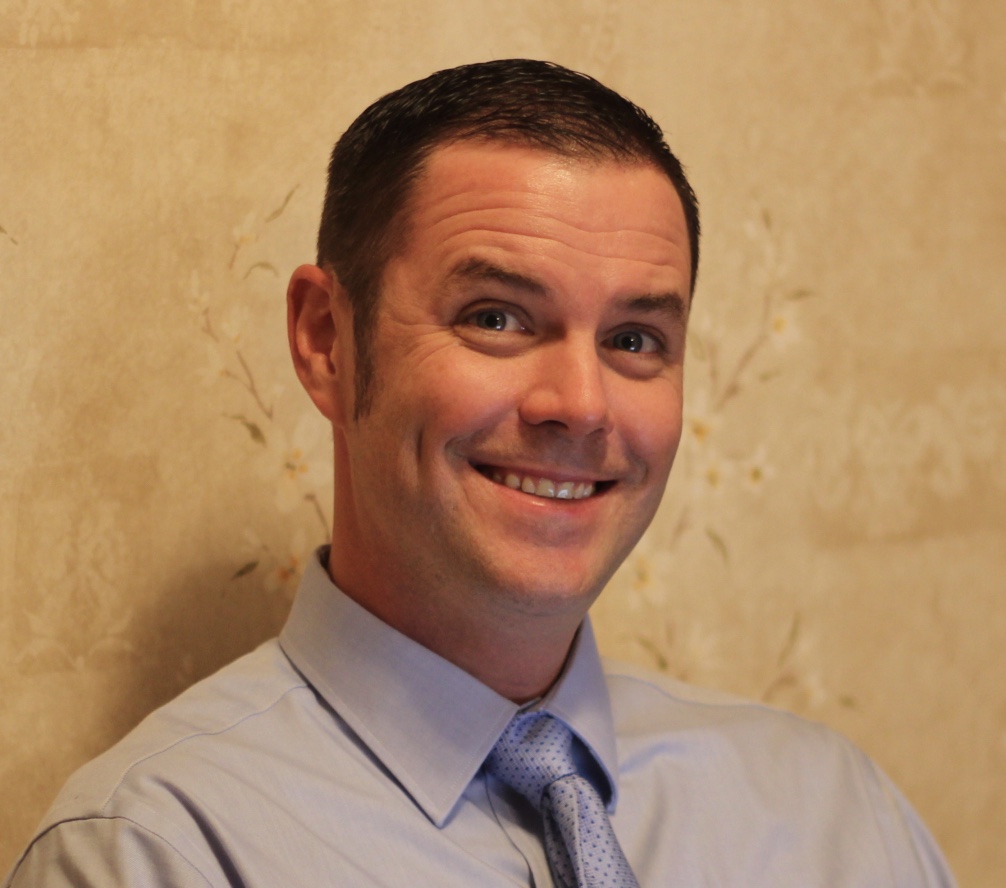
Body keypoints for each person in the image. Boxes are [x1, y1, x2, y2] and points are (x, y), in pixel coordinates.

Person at [5, 59, 955, 887]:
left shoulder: (835, 816)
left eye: (634, 339)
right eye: (496, 317)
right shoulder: (155, 853)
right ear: (327, 340)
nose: (580, 404)